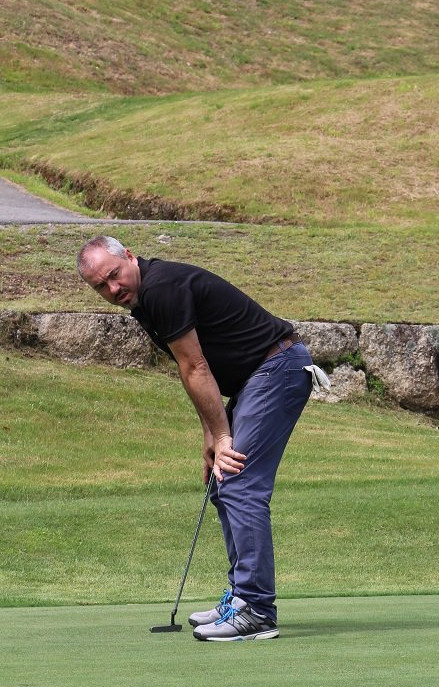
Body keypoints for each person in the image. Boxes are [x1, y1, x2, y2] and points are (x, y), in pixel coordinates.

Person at [77, 235, 318, 642]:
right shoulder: (145, 299)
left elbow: (195, 366)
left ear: (130, 257)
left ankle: (257, 609)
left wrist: (223, 434)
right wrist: (211, 434)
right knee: (222, 482)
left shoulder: (161, 288)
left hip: (277, 368)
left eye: (115, 275)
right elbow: (197, 368)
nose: (113, 289)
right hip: (257, 376)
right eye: (101, 286)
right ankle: (242, 597)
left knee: (239, 479)